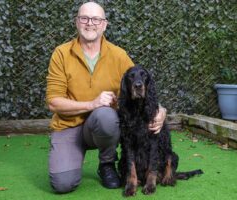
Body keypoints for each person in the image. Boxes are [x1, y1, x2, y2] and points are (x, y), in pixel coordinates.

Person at [45, 2, 167, 194]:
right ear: (76, 22)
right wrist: (92, 103)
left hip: (103, 125)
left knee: (106, 116)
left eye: (96, 19)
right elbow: (53, 102)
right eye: (84, 18)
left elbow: (140, 85)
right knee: (63, 184)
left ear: (104, 24)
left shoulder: (118, 55)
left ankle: (107, 164)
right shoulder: (61, 54)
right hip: (68, 126)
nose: (90, 23)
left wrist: (161, 111)